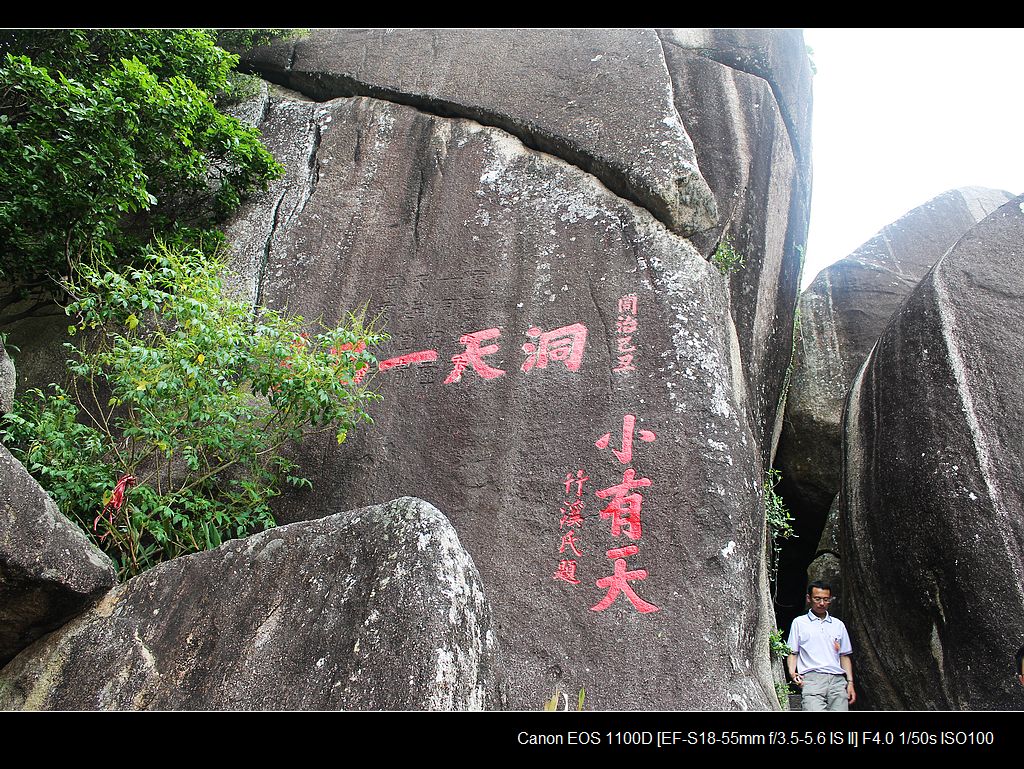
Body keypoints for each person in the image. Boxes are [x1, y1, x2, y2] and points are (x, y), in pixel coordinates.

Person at [786, 580, 856, 711]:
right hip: (812, 678)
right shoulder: (799, 623)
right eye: (817, 599)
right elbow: (793, 651)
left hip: (837, 680)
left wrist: (850, 682)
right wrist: (792, 673)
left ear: (830, 600)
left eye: (826, 599)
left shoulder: (838, 625)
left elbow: (844, 656)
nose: (822, 603)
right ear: (809, 599)